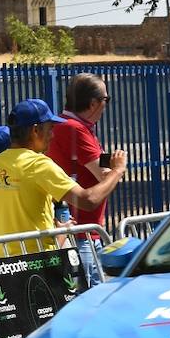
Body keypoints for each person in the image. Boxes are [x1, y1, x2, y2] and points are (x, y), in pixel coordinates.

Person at [0, 99, 127, 338]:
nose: (53, 135)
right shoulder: (38, 164)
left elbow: (12, 215)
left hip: (0, 269)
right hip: (39, 267)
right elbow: (88, 199)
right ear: (36, 130)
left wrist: (54, 230)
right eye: (50, 129)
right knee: (56, 335)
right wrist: (116, 171)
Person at [47, 73, 114, 286]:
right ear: (93, 103)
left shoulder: (79, 127)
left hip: (86, 231)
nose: (106, 105)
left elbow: (98, 162)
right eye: (106, 99)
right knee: (90, 299)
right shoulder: (74, 128)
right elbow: (104, 175)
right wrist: (118, 168)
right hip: (81, 232)